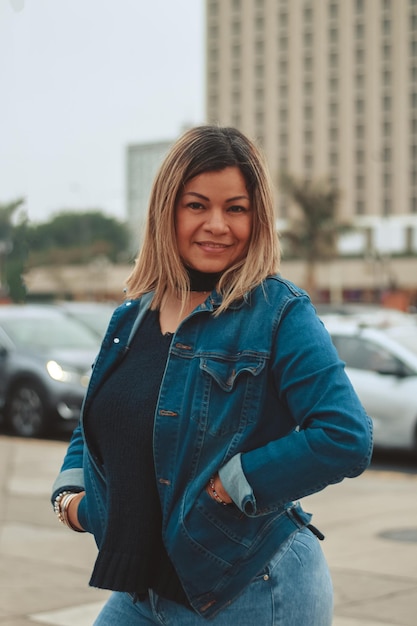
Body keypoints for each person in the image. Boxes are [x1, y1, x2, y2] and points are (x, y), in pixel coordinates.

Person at [51, 125, 373, 625]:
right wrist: (71, 498)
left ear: (257, 217)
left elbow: (345, 436)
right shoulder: (131, 318)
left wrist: (235, 481)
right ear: (167, 211)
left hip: (250, 587)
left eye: (236, 208)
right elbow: (95, 420)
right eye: (197, 205)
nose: (217, 225)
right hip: (143, 591)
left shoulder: (277, 312)